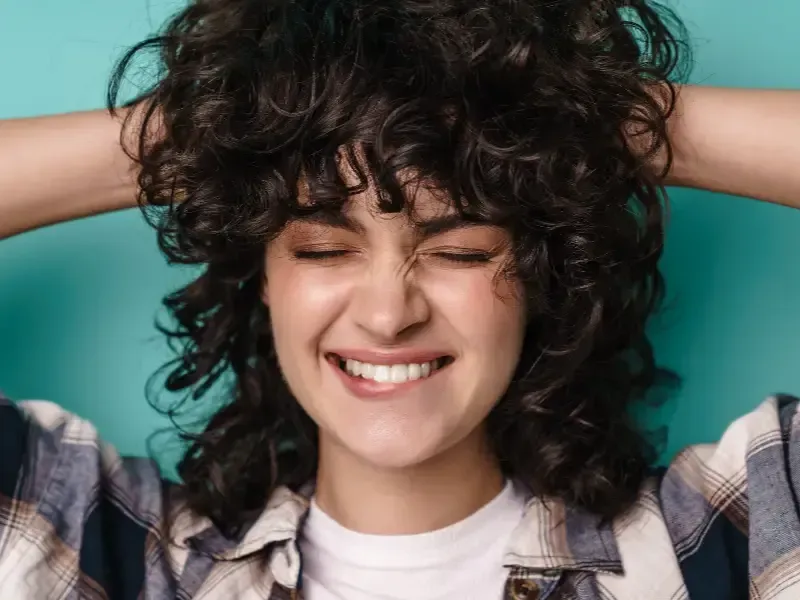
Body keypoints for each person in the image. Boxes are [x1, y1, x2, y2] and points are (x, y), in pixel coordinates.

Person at [0, 1, 798, 599]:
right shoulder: (116, 555)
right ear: (263, 276)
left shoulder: (720, 543)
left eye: (459, 250)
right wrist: (218, 130)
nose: (388, 314)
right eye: (322, 247)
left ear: (540, 274)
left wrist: (582, 121)